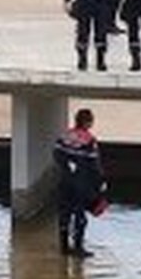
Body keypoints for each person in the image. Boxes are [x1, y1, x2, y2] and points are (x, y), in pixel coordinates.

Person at [54, 108, 105, 258]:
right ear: (88, 122)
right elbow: (95, 166)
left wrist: (67, 167)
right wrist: (100, 185)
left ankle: (63, 248)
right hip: (80, 184)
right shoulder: (89, 140)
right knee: (79, 215)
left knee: (64, 214)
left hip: (64, 182)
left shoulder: (64, 136)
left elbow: (56, 154)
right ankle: (78, 248)